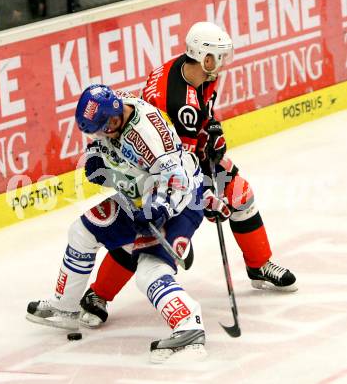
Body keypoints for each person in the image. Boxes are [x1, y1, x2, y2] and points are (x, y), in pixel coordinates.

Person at [79, 21, 298, 328]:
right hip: (153, 169)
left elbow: (198, 129)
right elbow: (181, 160)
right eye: (219, 56)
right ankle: (97, 294)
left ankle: (259, 265)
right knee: (143, 232)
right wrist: (205, 189)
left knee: (240, 194)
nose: (223, 62)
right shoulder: (180, 102)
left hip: (171, 159)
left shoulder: (192, 72)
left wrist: (212, 135)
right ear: (205, 57)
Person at [26, 85, 207, 363]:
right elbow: (102, 144)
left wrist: (158, 208)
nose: (99, 134)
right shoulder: (113, 117)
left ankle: (189, 326)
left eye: (102, 129)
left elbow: (177, 180)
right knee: (82, 231)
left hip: (180, 203)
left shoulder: (149, 136)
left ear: (114, 118)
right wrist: (96, 158)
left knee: (149, 270)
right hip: (139, 198)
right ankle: (66, 307)